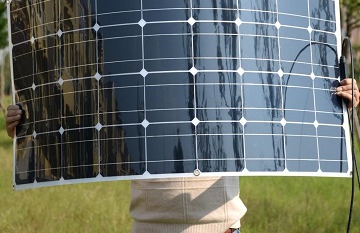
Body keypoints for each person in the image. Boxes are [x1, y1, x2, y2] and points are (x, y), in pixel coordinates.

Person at [6, 78, 359, 233]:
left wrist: (341, 104)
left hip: (222, 228)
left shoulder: (228, 87)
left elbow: (286, 109)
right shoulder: (127, 93)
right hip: (149, 229)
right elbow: (74, 124)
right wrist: (28, 122)